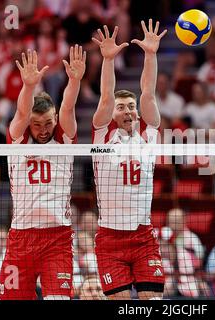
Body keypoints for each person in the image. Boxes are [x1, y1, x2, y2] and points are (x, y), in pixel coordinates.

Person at [0, 45, 86, 300]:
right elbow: (23, 112)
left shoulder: (64, 141)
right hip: (21, 238)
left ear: (55, 119)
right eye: (36, 125)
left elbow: (68, 107)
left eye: (48, 122)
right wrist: (28, 86)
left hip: (57, 236)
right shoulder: (17, 140)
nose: (43, 129)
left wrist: (75, 80)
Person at [91, 21, 167, 300]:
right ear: (113, 113)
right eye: (121, 108)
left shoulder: (149, 135)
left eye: (131, 107)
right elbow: (106, 97)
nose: (127, 111)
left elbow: (148, 92)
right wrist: (108, 60)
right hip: (110, 238)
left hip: (143, 235)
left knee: (152, 302)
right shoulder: (102, 136)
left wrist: (151, 55)